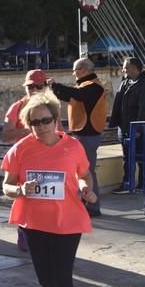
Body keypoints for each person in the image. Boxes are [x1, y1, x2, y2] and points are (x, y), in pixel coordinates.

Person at [1, 92, 97, 287]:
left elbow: (84, 174)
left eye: (46, 120)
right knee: (46, 278)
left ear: (56, 119)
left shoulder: (73, 146)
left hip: (67, 221)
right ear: (27, 124)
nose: (41, 127)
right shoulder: (20, 149)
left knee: (64, 278)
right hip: (35, 222)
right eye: (34, 122)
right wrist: (20, 189)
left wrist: (85, 188)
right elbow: (6, 185)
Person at [0, 69, 52, 251]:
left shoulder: (52, 108)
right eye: (31, 86)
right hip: (23, 162)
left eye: (39, 86)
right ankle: (24, 231)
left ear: (46, 86)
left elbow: (59, 134)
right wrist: (31, 130)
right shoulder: (16, 108)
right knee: (24, 198)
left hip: (47, 160)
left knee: (46, 200)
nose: (35, 90)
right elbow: (5, 135)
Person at [48, 58, 106, 216]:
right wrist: (55, 90)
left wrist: (56, 86)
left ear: (83, 71)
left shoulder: (94, 87)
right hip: (83, 133)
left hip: (88, 134)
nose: (73, 74)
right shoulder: (84, 87)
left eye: (75, 70)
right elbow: (72, 96)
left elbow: (77, 95)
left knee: (87, 170)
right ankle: (86, 202)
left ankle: (93, 206)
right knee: (82, 170)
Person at [109, 57, 145, 193]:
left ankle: (142, 185)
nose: (123, 69)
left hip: (136, 128)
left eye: (126, 67)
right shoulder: (127, 81)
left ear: (135, 68)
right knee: (128, 157)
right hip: (125, 126)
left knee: (140, 156)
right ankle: (130, 184)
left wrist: (139, 129)